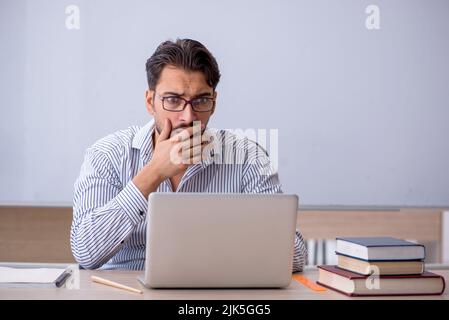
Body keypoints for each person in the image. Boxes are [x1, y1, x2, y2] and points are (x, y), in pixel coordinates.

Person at [71, 38, 308, 271]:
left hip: (214, 289)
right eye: (173, 100)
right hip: (126, 288)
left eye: (201, 100)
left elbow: (295, 255)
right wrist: (153, 173)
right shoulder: (107, 155)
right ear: (150, 101)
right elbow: (86, 253)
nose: (188, 117)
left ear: (213, 103)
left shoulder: (248, 158)